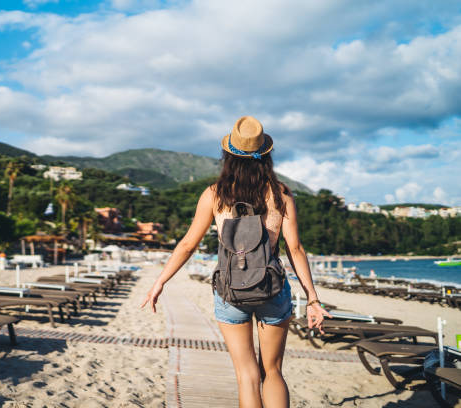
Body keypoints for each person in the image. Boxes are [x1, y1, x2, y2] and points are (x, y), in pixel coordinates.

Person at [141, 116, 331, 408]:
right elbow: (295, 248)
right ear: (265, 156)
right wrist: (313, 299)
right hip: (272, 288)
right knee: (273, 372)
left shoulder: (215, 195)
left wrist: (160, 282)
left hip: (231, 291)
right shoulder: (281, 195)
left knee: (246, 375)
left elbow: (188, 244)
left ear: (228, 155)